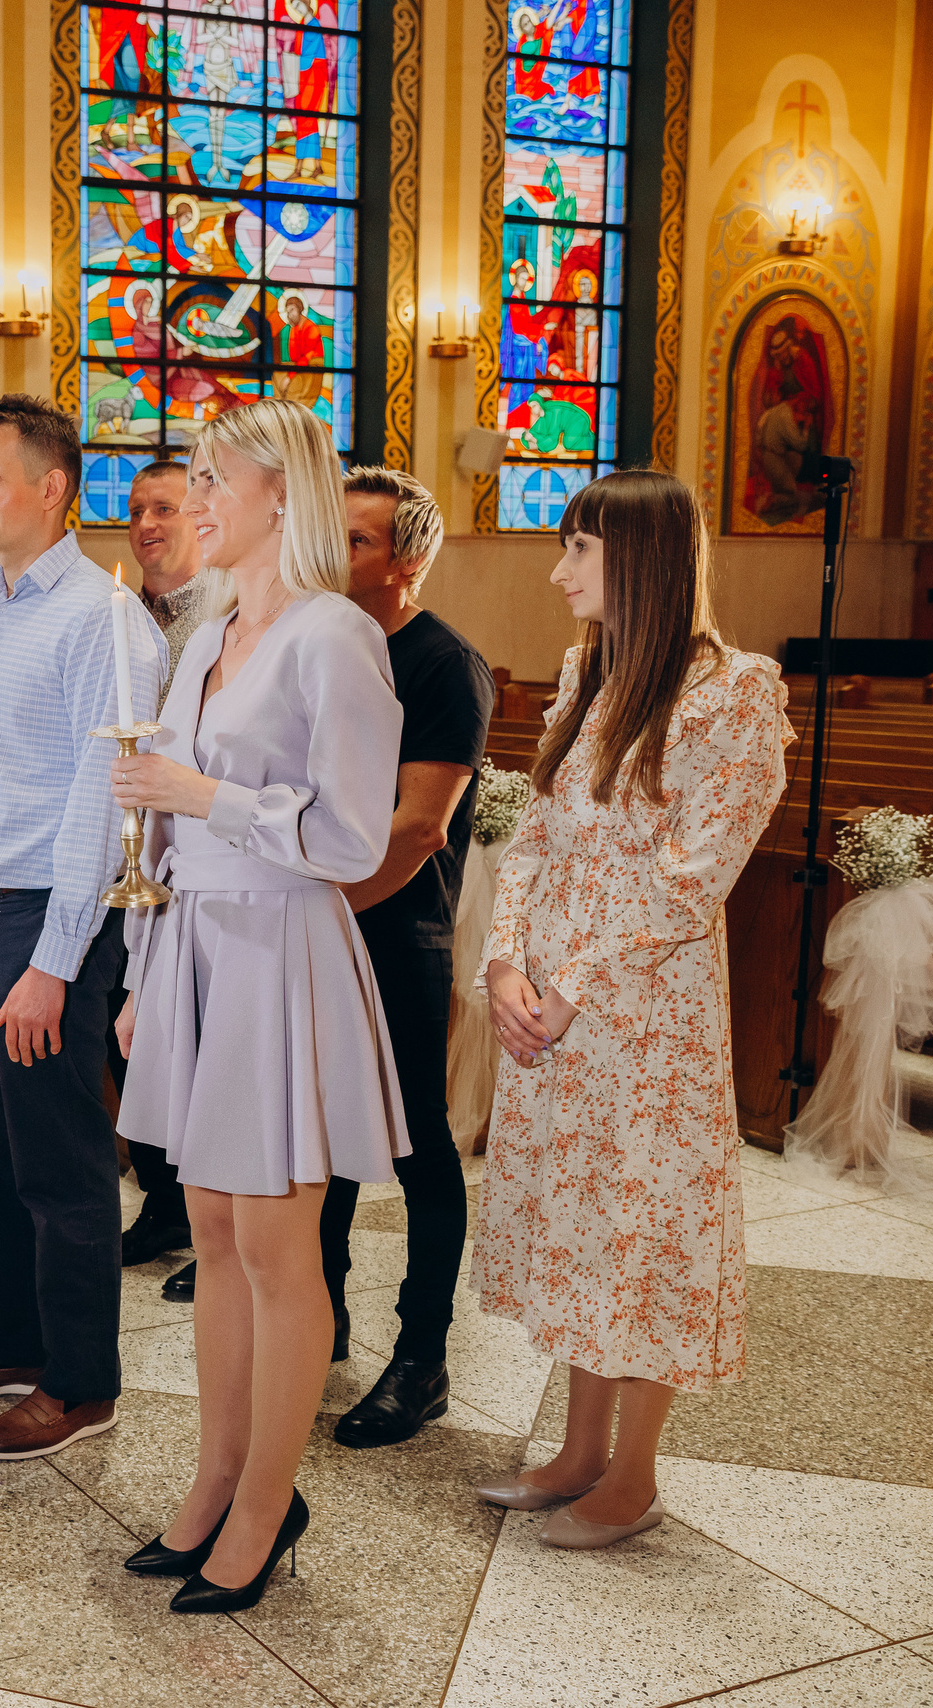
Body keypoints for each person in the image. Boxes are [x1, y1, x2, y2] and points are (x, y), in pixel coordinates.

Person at [109, 397, 406, 1614]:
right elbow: (162, 832)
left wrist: (201, 793)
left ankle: (266, 1503)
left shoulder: (334, 635)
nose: (192, 498)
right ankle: (215, 1479)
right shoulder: (208, 635)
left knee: (280, 1250)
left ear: (280, 493)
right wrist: (142, 974)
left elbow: (351, 836)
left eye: (209, 478)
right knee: (215, 1236)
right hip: (195, 946)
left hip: (280, 947)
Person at [472, 470, 790, 1548]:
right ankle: (577, 1449)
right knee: (580, 1225)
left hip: (647, 1016)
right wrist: (505, 964)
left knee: (644, 1229)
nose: (558, 571)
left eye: (578, 550)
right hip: (551, 1004)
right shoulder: (586, 674)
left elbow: (692, 878)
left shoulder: (736, 693)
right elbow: (534, 834)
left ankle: (635, 1475)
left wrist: (572, 986)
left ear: (643, 560)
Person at [0, 395, 164, 1461]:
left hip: (41, 922)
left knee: (60, 1164)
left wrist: (55, 963)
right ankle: (16, 1342)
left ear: (51, 489)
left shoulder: (103, 619)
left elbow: (103, 802)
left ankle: (81, 1382)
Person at [319, 467, 493, 1443]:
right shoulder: (323, 648)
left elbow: (419, 826)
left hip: (397, 931)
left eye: (356, 539)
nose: (333, 551)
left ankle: (421, 1357)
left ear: (408, 559)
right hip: (320, 926)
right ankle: (321, 1314)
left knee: (417, 1145)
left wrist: (317, 908)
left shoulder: (442, 663)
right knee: (321, 1136)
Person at [115, 457, 206, 1270]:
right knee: (127, 1033)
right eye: (137, 509)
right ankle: (162, 1200)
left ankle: (203, 1215)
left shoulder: (222, 618)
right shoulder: (117, 616)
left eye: (164, 508)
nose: (146, 524)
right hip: (122, 851)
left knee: (191, 1041)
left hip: (193, 853)